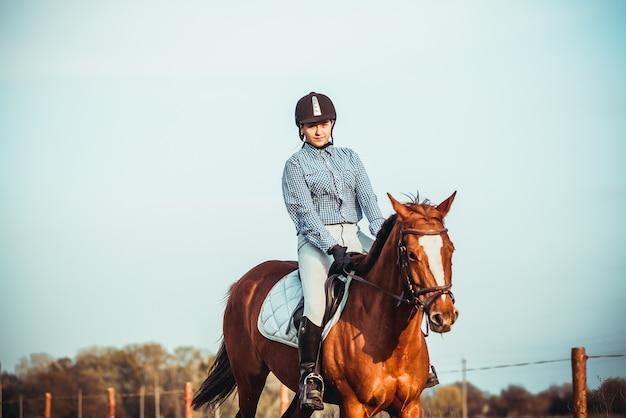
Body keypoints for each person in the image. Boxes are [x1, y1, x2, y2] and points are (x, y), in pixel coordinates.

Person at [282, 92, 386, 410]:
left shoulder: (351, 157)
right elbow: (303, 212)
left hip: (354, 234)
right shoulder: (294, 165)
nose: (319, 130)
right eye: (311, 125)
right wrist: (332, 247)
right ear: (301, 128)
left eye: (324, 123)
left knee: (397, 275)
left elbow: (368, 199)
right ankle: (309, 378)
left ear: (332, 124)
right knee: (315, 302)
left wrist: (382, 236)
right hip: (316, 241)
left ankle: (417, 365)